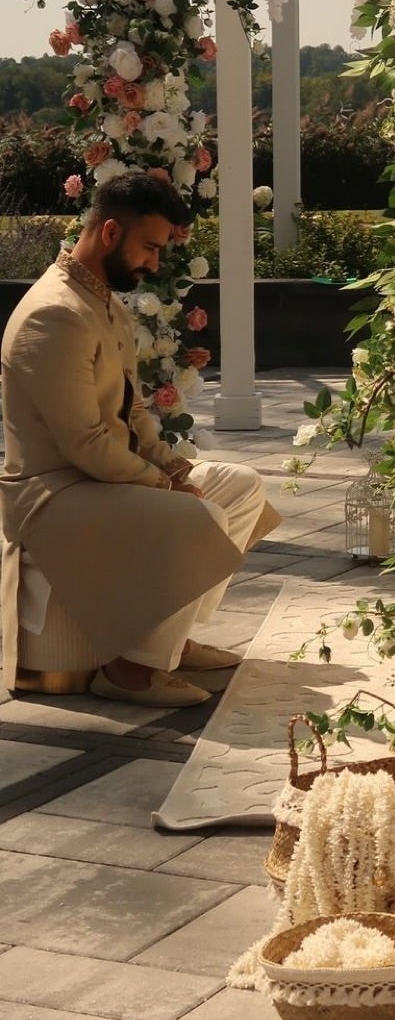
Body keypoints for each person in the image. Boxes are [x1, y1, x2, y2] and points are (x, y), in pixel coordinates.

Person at [0, 171, 280, 706]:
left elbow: (133, 415)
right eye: (148, 247)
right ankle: (130, 669)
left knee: (238, 487)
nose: (154, 263)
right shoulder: (55, 313)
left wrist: (173, 469)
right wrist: (161, 485)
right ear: (109, 232)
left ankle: (169, 641)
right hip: (51, 494)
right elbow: (84, 443)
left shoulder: (103, 302)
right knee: (199, 515)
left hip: (100, 480)